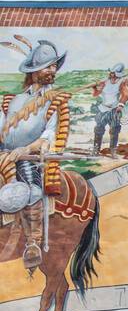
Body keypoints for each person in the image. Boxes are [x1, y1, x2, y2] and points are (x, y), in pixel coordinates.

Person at [0, 37, 69, 271]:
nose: (52, 70)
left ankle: (32, 243)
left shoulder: (54, 100)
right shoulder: (13, 100)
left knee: (32, 189)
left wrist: (24, 150)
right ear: (34, 71)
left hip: (30, 157)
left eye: (53, 66)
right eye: (47, 66)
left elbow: (48, 135)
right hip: (4, 154)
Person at [91, 62, 128, 157]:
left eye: (114, 73)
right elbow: (95, 94)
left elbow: (125, 95)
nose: (112, 75)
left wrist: (120, 105)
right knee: (98, 129)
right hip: (103, 109)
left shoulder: (122, 82)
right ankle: (96, 149)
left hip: (114, 110)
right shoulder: (104, 82)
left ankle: (113, 150)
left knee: (114, 130)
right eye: (111, 73)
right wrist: (95, 88)